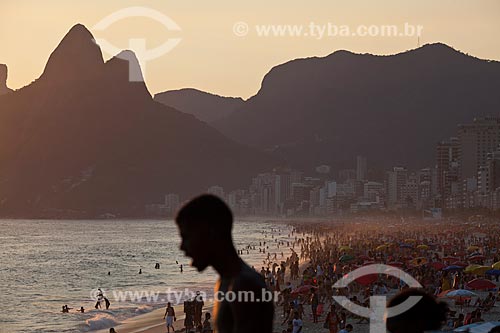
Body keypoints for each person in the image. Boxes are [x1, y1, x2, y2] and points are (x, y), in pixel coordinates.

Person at [175, 194, 274, 333]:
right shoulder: (226, 281)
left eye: (187, 237)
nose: (182, 247)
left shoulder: (245, 285)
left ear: (211, 232)